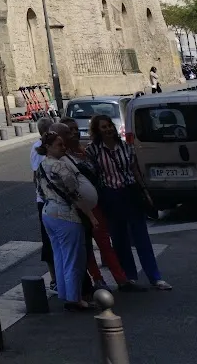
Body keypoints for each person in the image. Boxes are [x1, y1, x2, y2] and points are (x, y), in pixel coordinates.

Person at [87, 114, 169, 291]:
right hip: (110, 195)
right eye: (103, 127)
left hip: (130, 192)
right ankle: (129, 276)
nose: (108, 129)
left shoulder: (126, 147)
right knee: (119, 238)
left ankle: (155, 277)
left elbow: (135, 170)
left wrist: (145, 191)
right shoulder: (93, 151)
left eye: (109, 125)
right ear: (97, 130)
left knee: (141, 236)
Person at [58, 120, 130, 292]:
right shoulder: (63, 157)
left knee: (104, 242)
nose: (75, 133)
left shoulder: (85, 150)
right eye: (70, 131)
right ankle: (97, 279)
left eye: (76, 129)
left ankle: (121, 279)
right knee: (87, 246)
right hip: (80, 208)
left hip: (97, 204)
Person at [36, 129, 96, 311]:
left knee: (59, 256)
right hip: (66, 215)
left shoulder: (41, 166)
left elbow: (40, 191)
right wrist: (91, 216)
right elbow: (75, 194)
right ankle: (74, 298)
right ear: (48, 147)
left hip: (48, 213)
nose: (63, 148)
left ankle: (65, 293)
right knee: (73, 258)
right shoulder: (61, 167)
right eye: (59, 145)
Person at [30, 116, 56, 290]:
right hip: (49, 200)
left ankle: (55, 279)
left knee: (48, 240)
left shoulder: (35, 147)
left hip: (42, 199)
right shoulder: (44, 148)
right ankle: (55, 279)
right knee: (51, 241)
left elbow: (34, 175)